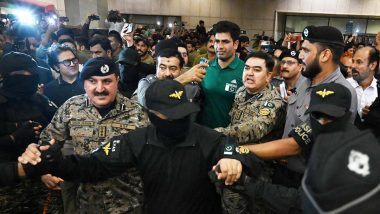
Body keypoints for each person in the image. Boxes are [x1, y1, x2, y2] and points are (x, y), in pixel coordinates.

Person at [19, 79, 264, 214]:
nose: (178, 120)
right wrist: (54, 162)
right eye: (170, 115)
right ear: (152, 114)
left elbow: (245, 154)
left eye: (182, 113)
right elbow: (92, 166)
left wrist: (237, 161)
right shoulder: (135, 141)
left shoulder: (209, 138)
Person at [38, 57, 149, 213]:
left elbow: (150, 156)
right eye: (92, 81)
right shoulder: (71, 108)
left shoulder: (137, 113)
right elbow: (47, 141)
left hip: (128, 205)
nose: (100, 88)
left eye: (107, 81)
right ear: (83, 83)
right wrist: (45, 171)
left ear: (117, 81)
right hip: (85, 203)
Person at [215, 51, 286, 213]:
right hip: (233, 161)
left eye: (257, 69)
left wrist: (217, 134)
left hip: (256, 171)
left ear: (268, 76)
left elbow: (254, 129)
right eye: (246, 68)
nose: (250, 73)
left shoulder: (273, 102)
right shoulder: (241, 92)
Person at [0, 52, 57, 213]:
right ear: (11, 76)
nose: (33, 77)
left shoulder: (39, 100)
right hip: (7, 188)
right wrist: (13, 138)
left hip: (43, 182)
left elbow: (60, 127)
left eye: (34, 74)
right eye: (27, 74)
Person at [199, 20, 245, 129]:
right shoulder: (206, 67)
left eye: (225, 42)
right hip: (203, 132)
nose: (219, 46)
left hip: (230, 136)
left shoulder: (245, 71)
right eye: (217, 41)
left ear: (235, 44)